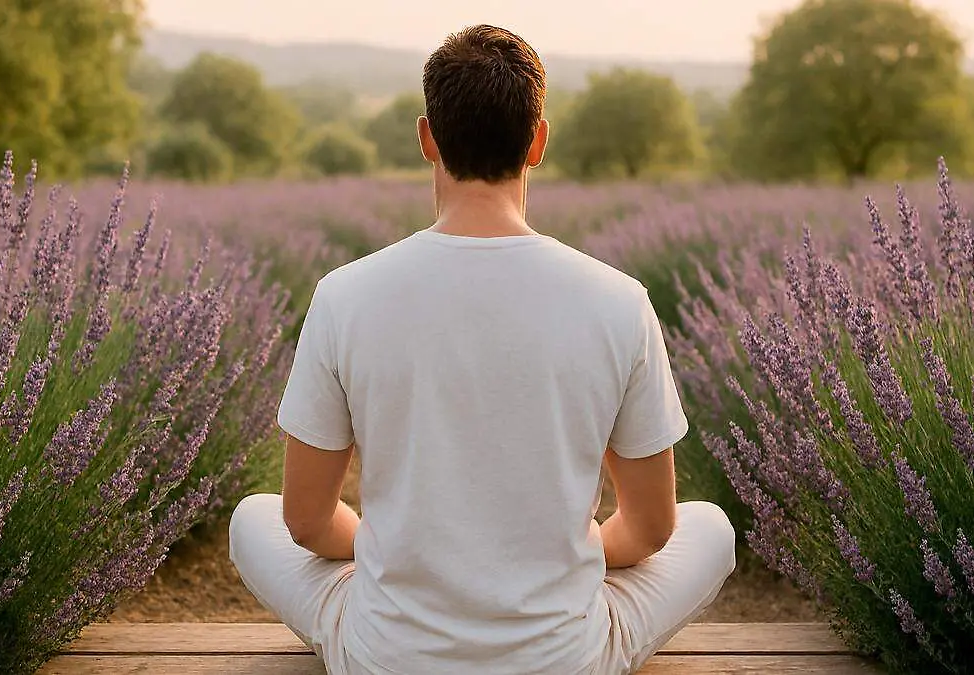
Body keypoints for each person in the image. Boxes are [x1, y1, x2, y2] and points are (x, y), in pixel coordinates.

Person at [228, 23, 736, 675]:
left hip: (387, 655)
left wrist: (397, 555)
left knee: (254, 518)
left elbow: (304, 521)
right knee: (710, 529)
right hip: (565, 658)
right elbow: (650, 529)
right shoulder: (620, 300)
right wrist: (557, 561)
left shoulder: (343, 295)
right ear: (538, 141)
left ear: (427, 138)